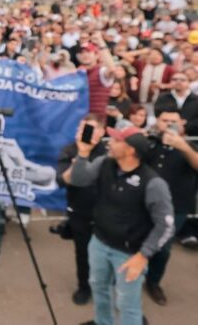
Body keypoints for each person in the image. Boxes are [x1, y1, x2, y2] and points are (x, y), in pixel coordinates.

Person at [70, 125, 175, 325]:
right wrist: (83, 154)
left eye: (117, 140)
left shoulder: (153, 184)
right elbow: (79, 180)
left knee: (127, 304)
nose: (110, 142)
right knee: (99, 289)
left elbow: (166, 225)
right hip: (99, 243)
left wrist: (143, 256)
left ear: (130, 150)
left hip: (129, 255)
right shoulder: (104, 163)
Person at [142, 108, 198, 305]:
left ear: (182, 124)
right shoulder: (149, 142)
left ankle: (153, 282)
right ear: (158, 122)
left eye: (174, 121)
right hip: (143, 205)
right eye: (165, 120)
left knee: (163, 248)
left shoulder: (191, 144)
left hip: (176, 207)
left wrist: (183, 147)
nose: (169, 124)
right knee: (135, 242)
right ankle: (132, 274)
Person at [55, 114, 108, 305]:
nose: (84, 133)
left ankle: (107, 288)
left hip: (107, 214)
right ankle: (84, 287)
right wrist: (81, 154)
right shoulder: (69, 150)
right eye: (82, 128)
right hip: (80, 212)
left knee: (108, 254)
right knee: (83, 253)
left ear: (102, 132)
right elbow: (62, 180)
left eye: (90, 129)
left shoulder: (110, 152)